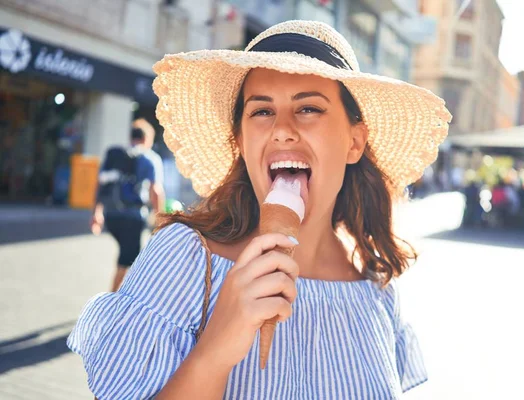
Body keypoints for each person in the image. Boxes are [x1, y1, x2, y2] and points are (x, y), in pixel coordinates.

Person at [69, 20, 451, 399]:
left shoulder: (377, 287)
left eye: (309, 108)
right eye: (261, 112)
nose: (282, 129)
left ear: (354, 142)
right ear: (240, 140)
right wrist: (214, 351)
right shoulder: (184, 257)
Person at [90, 126, 165, 291]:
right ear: (147, 139)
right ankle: (112, 301)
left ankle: (120, 296)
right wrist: (160, 219)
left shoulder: (115, 156)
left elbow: (100, 184)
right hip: (132, 217)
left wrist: (97, 213)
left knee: (129, 259)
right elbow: (155, 191)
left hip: (111, 216)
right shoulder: (149, 158)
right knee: (127, 262)